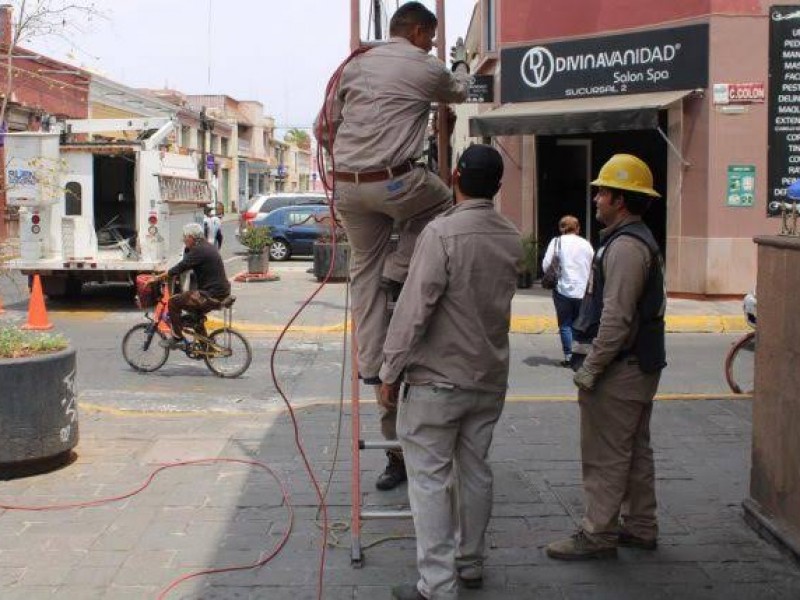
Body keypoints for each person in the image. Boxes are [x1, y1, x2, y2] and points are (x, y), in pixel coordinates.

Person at [314, 1, 470, 491]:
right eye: (431, 37)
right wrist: (460, 62)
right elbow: (460, 91)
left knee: (363, 269)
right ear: (421, 31)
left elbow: (322, 129)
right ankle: (401, 268)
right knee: (442, 200)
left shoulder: (355, 64)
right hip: (396, 185)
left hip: (348, 185)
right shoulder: (425, 66)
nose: (429, 44)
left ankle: (368, 362)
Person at [377, 145, 521, 600]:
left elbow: (414, 309)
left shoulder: (441, 234)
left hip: (437, 382)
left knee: (430, 480)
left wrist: (389, 370)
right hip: (488, 377)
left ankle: (437, 585)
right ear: (498, 186)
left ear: (456, 177)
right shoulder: (510, 236)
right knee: (476, 471)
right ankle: (471, 562)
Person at [546, 154, 667, 561]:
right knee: (634, 451)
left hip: (621, 370)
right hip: (637, 366)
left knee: (605, 456)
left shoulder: (626, 247)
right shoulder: (631, 240)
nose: (596, 197)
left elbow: (615, 320)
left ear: (621, 199)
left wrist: (591, 370)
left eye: (603, 192)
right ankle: (640, 526)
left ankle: (598, 534)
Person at [157, 222, 230, 349]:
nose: (184, 241)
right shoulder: (206, 246)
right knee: (195, 317)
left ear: (191, 237)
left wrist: (161, 275)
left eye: (185, 238)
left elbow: (182, 266)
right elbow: (186, 266)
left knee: (174, 302)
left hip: (211, 294)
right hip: (220, 291)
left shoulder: (199, 250)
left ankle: (177, 337)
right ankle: (207, 348)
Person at [541, 215, 594, 366]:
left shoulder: (556, 242)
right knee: (581, 323)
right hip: (583, 291)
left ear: (561, 228)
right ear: (578, 228)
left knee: (565, 324)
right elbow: (593, 265)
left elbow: (546, 266)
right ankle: (582, 355)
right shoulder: (586, 244)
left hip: (562, 289)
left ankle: (569, 357)